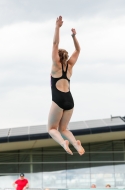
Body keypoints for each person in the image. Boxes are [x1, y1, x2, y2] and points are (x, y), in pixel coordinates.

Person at [48, 16, 85, 156]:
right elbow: (78, 50)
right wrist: (73, 36)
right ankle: (75, 143)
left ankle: (63, 143)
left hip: (58, 99)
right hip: (70, 100)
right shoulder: (70, 65)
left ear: (57, 56)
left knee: (52, 129)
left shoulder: (56, 65)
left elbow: (55, 43)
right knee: (63, 129)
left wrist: (57, 27)